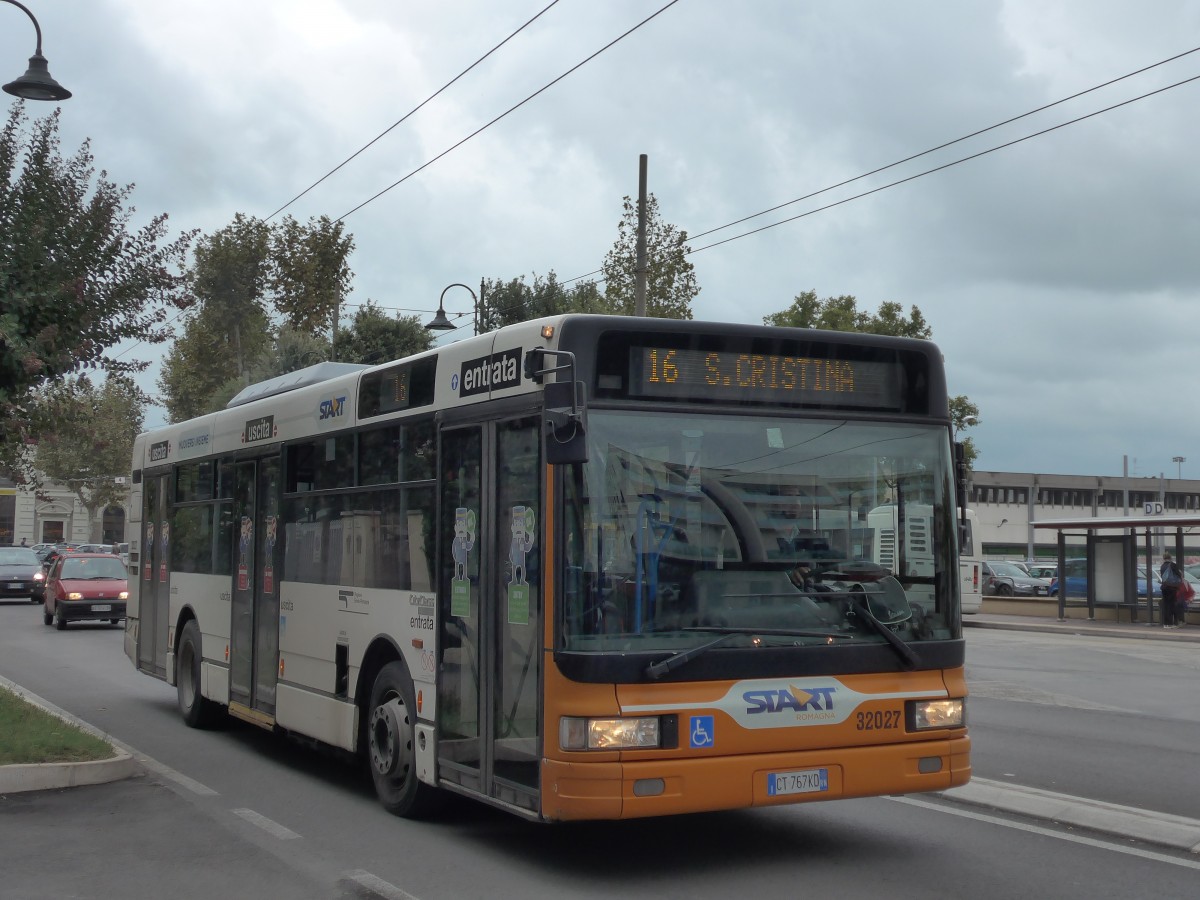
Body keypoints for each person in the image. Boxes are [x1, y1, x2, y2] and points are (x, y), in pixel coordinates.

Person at [1158, 552, 1183, 628]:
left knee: (1166, 605)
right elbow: (1179, 575)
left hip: (1164, 588)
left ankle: (1166, 623)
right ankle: (1171, 623)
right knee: (1171, 605)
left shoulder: (1162, 566)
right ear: (1170, 557)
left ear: (1164, 558)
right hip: (1172, 588)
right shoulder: (1173, 565)